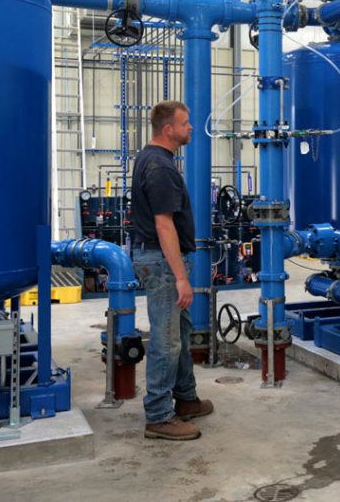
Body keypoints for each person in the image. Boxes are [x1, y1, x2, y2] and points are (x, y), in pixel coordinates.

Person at [130, 100, 213, 440]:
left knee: (179, 330)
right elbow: (164, 226)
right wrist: (181, 277)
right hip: (162, 263)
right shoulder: (161, 168)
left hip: (161, 260)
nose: (191, 127)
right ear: (168, 129)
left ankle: (185, 398)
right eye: (185, 123)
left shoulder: (154, 158)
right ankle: (159, 416)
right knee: (166, 341)